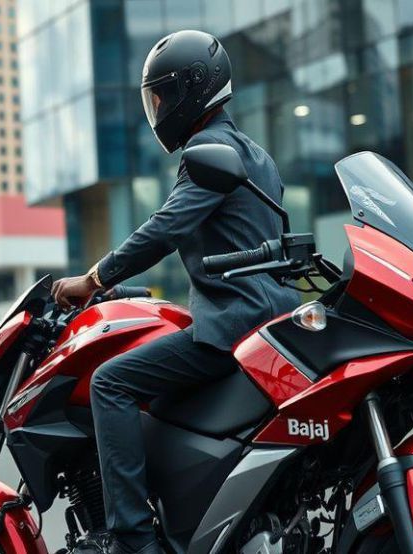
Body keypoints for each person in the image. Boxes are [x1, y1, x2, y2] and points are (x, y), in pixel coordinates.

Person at [50, 30, 299, 554]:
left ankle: (133, 538)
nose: (157, 108)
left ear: (192, 90)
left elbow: (164, 229)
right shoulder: (258, 154)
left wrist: (92, 280)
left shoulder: (206, 150)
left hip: (233, 327)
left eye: (161, 96)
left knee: (110, 383)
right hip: (272, 322)